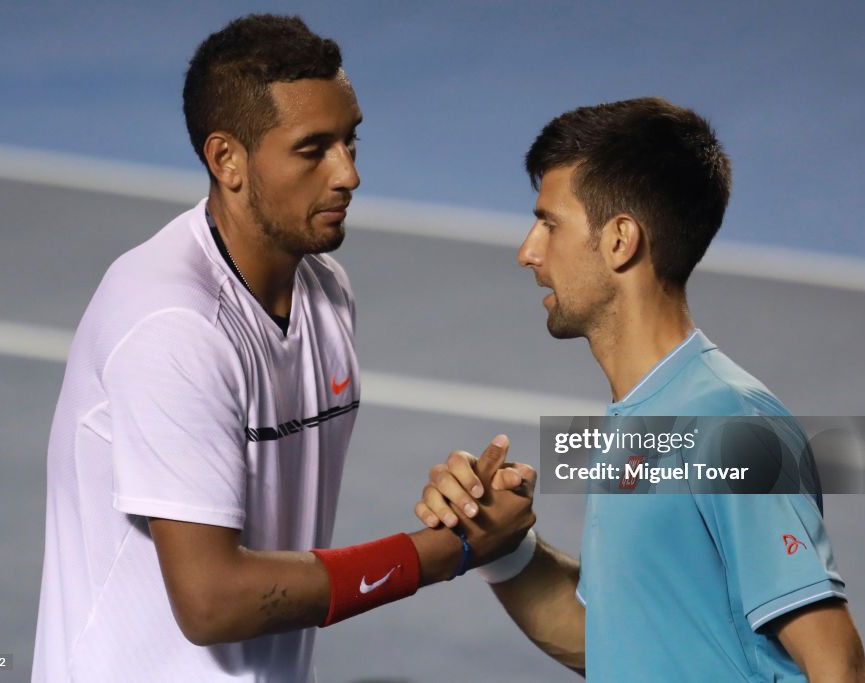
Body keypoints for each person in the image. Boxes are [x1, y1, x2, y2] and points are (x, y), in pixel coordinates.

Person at [31, 14, 533, 683]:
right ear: (226, 159)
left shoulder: (325, 290)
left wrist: (470, 509)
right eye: (313, 149)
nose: (348, 173)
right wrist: (445, 551)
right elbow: (211, 601)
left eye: (351, 142)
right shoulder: (172, 325)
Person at [415, 98, 865, 681]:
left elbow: (843, 668)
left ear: (619, 240)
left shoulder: (730, 426)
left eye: (550, 223)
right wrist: (496, 543)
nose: (528, 252)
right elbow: (615, 647)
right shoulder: (645, 419)